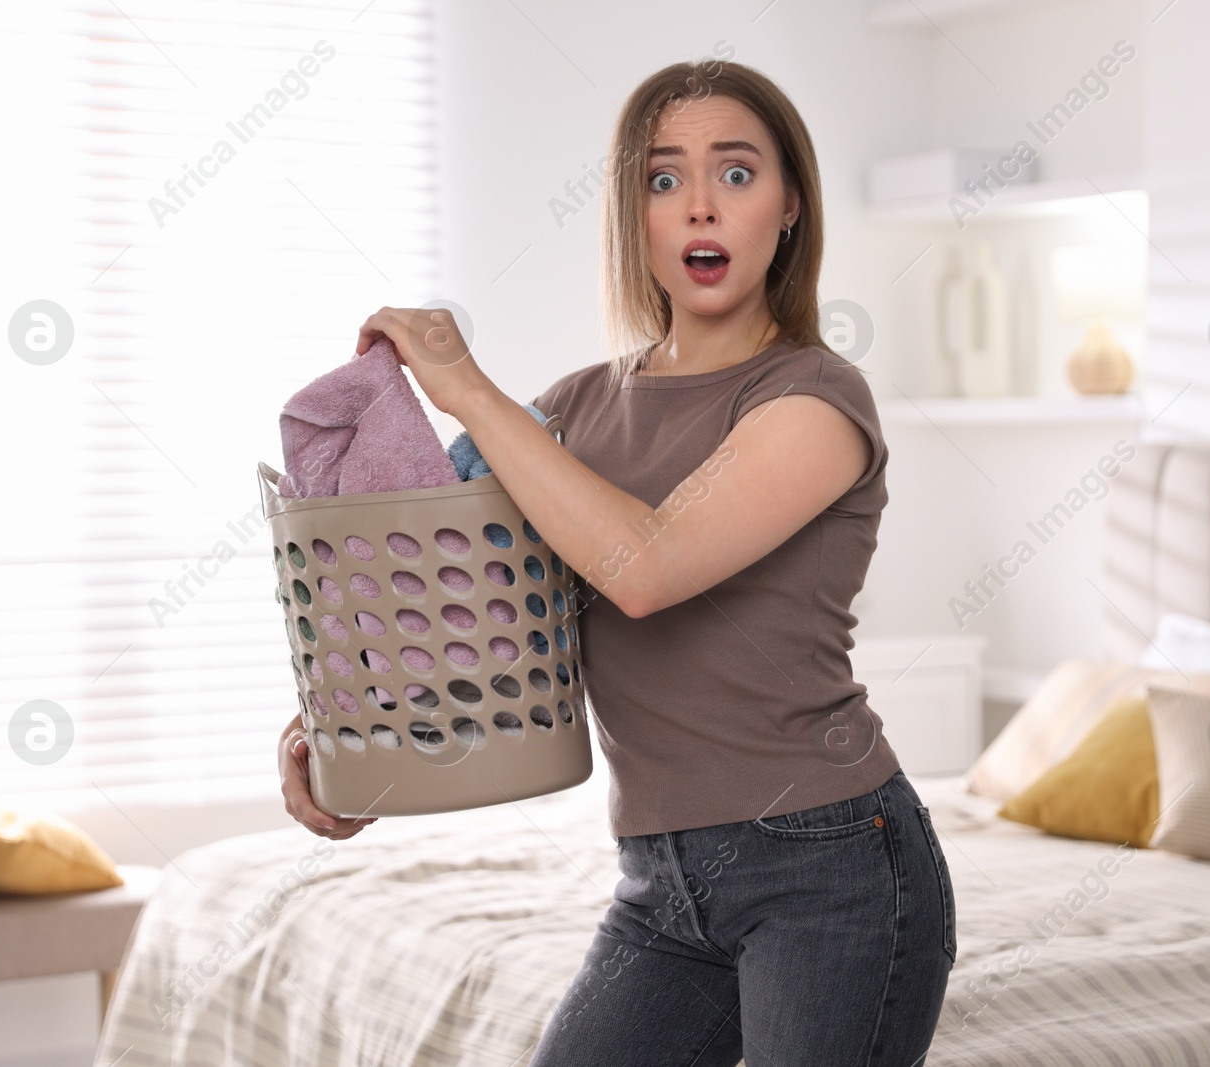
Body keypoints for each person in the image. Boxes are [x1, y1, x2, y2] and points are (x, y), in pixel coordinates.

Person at [277, 58, 955, 1066]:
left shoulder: (815, 400)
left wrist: (461, 383)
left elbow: (644, 566)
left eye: (735, 173)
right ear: (631, 213)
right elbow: (458, 617)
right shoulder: (574, 410)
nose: (698, 209)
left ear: (790, 206)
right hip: (659, 880)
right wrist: (354, 742)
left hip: (831, 864)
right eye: (662, 178)